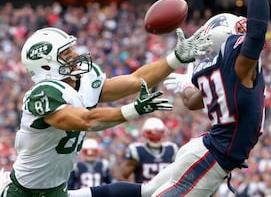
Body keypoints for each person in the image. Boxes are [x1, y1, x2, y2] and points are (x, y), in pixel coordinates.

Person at [68, 0, 269, 196]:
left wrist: (185, 86)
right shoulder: (240, 66)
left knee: (146, 191)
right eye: (239, 31)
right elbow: (257, 32)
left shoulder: (211, 68)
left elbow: (192, 101)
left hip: (203, 148)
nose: (244, 36)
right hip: (213, 155)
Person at [0, 23, 211, 197]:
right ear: (46, 66)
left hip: (57, 191)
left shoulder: (84, 80)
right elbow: (87, 121)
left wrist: (176, 58)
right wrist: (134, 110)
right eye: (65, 53)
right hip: (23, 193)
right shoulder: (44, 93)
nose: (75, 55)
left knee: (143, 191)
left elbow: (136, 80)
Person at [120, 117, 178, 183]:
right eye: (152, 134)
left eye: (158, 134)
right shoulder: (137, 151)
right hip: (145, 191)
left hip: (165, 191)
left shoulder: (171, 148)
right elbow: (124, 175)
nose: (155, 137)